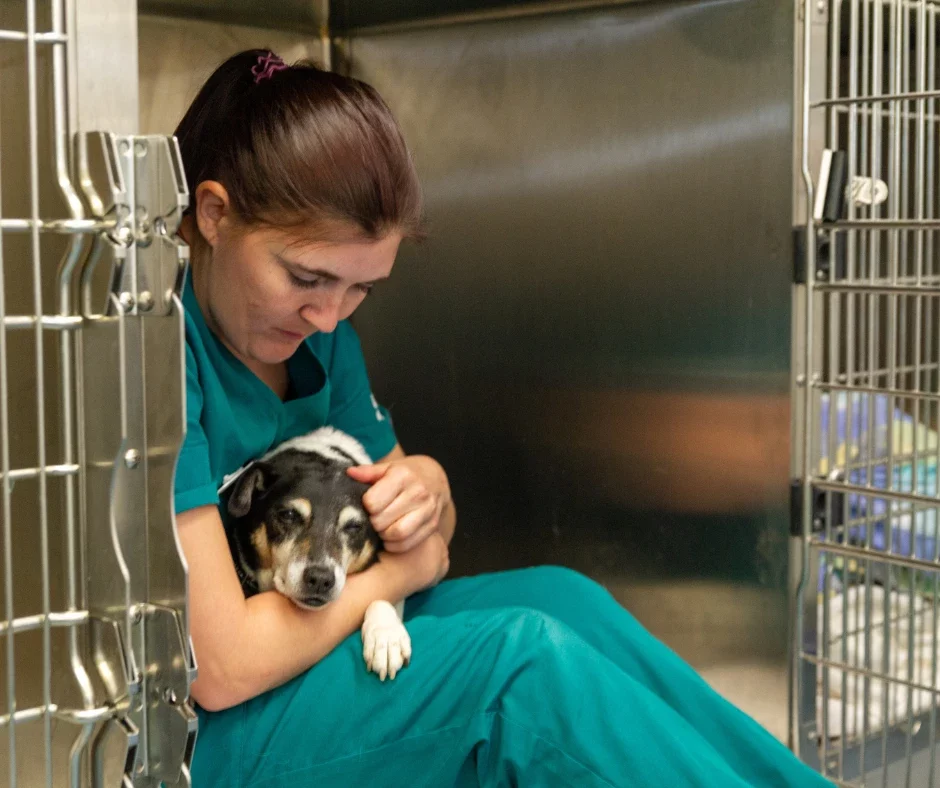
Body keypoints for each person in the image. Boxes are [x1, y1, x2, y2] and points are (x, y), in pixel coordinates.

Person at [173, 49, 832, 788]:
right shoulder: (160, 356)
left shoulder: (319, 341)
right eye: (306, 277)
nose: (328, 315)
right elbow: (221, 666)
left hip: (320, 644)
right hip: (212, 733)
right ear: (214, 215)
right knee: (518, 669)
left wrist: (429, 491)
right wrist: (407, 569)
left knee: (563, 600)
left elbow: (431, 535)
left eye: (360, 289)